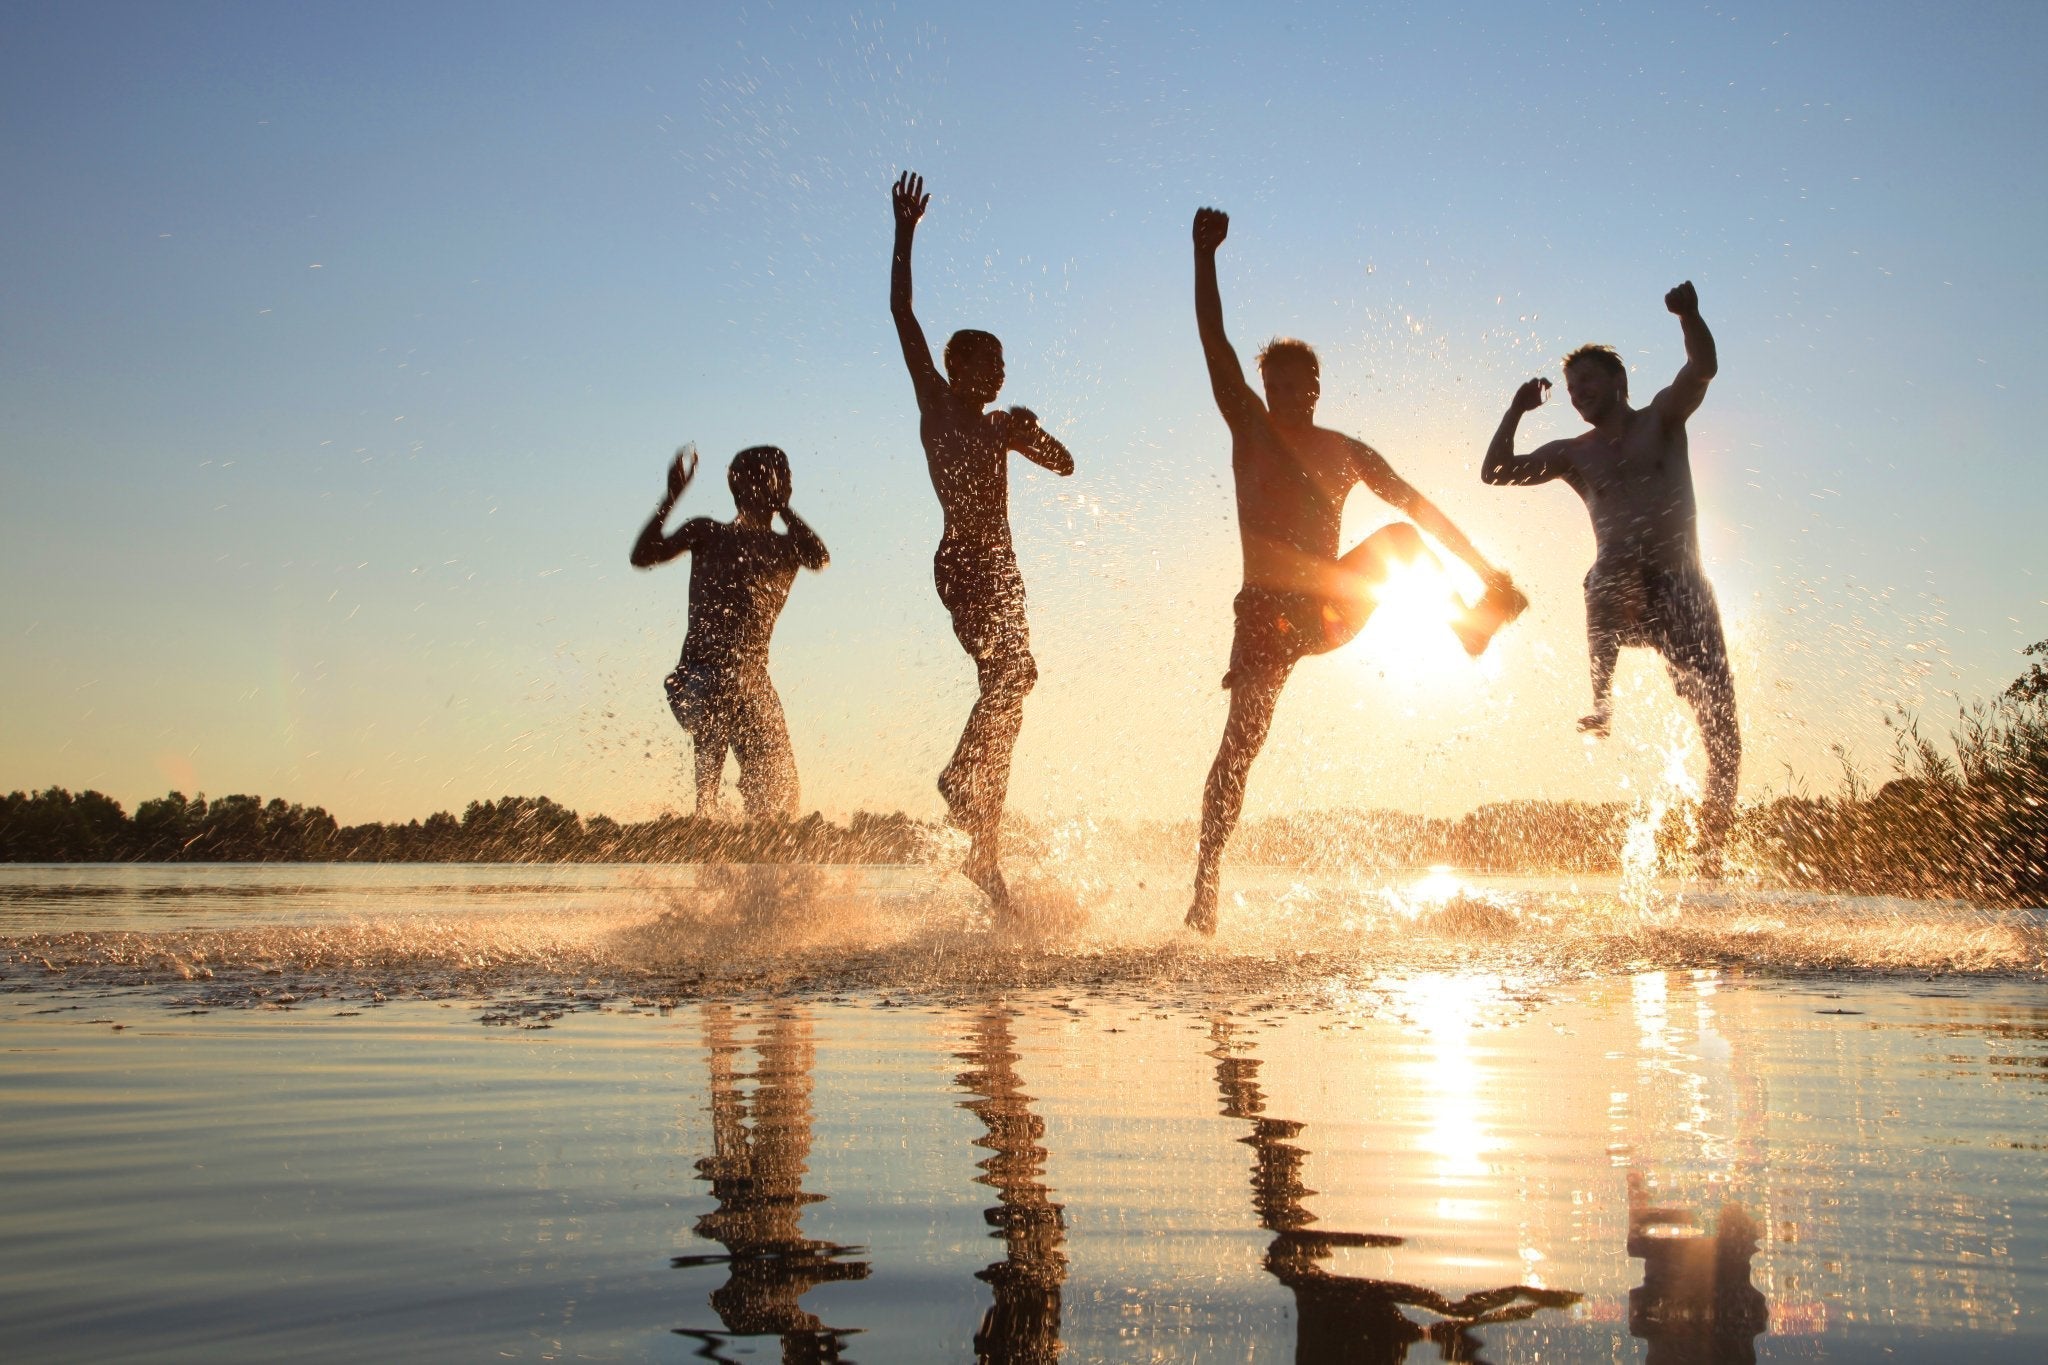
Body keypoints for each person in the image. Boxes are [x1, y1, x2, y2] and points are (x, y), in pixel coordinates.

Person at [1186, 207, 1526, 935]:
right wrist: (1203, 256)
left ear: (1317, 386)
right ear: (1263, 387)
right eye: (1277, 383)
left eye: (1301, 382)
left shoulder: (1346, 450)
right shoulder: (1249, 426)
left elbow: (1419, 507)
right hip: (1265, 614)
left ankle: (1468, 626)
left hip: (1328, 606)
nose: (1290, 394)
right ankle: (1206, 882)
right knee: (1239, 747)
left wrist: (1483, 570)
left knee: (1400, 535)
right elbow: (1214, 342)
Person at [1481, 281, 1740, 872]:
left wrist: (1690, 315)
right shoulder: (1574, 453)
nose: (1578, 395)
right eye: (1572, 390)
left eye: (1587, 383)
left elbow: (1703, 368)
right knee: (1606, 569)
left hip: (1684, 593)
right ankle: (1602, 701)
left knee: (1723, 731)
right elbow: (1495, 472)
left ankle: (1711, 850)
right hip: (1623, 594)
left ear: (1619, 381)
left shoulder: (1661, 420)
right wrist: (1515, 410)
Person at [889, 170, 1075, 913]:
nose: (997, 374)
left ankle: (983, 849)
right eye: (986, 363)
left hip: (1003, 570)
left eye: (1001, 365)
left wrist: (1035, 433)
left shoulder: (1002, 429)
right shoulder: (936, 404)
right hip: (963, 564)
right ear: (957, 367)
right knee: (1008, 680)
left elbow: (1066, 465)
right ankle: (960, 782)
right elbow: (901, 312)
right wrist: (905, 232)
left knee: (1013, 689)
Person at [630, 444, 828, 819]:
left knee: (782, 794)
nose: (778, 486)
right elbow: (643, 556)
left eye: (783, 480)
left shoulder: (787, 548)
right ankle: (705, 806)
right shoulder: (708, 533)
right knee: (727, 681)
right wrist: (670, 498)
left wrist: (785, 508)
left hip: (753, 683)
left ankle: (756, 841)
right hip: (697, 678)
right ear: (742, 487)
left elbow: (819, 558)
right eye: (770, 479)